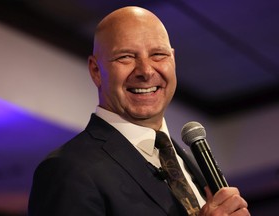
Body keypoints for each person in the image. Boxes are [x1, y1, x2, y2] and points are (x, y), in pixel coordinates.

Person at [28, 6, 250, 216]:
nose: (145, 70)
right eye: (125, 56)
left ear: (173, 60)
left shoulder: (188, 162)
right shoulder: (68, 169)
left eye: (158, 55)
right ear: (96, 70)